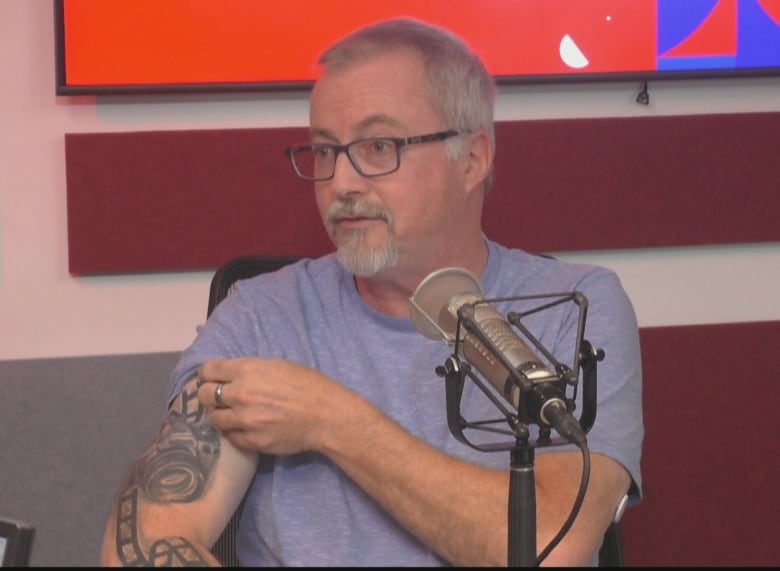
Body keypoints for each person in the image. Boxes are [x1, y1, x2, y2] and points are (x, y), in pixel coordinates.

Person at [100, 17, 642, 567]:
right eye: (325, 151)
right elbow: (142, 550)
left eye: (378, 146)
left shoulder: (570, 307)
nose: (341, 183)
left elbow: (551, 549)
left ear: (472, 159)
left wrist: (333, 420)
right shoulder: (261, 316)